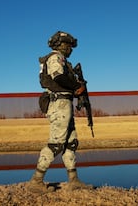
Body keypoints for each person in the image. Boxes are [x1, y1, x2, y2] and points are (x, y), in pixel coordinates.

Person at [27, 31, 93, 193]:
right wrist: (76, 87)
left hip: (65, 103)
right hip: (59, 103)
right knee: (56, 143)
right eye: (69, 45)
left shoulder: (62, 61)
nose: (70, 49)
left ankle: (73, 180)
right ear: (61, 45)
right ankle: (36, 181)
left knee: (71, 142)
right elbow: (58, 78)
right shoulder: (55, 58)